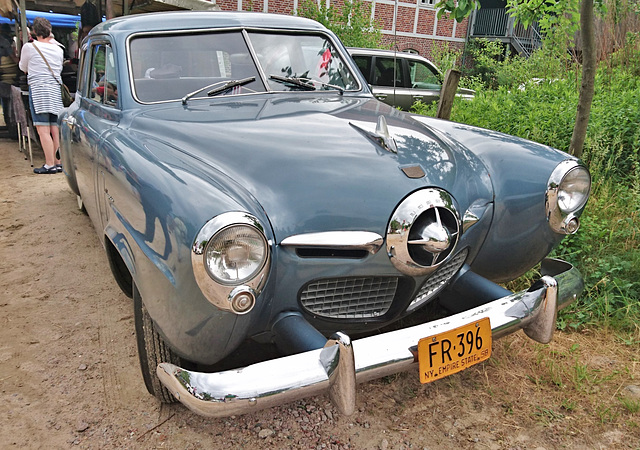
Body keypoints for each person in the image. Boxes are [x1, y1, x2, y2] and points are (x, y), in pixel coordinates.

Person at [18, 17, 64, 174]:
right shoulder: (59, 49)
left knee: (42, 129)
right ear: (50, 31)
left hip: (38, 90)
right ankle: (59, 162)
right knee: (55, 128)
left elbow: (23, 67)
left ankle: (49, 164)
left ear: (34, 32)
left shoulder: (29, 47)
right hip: (55, 89)